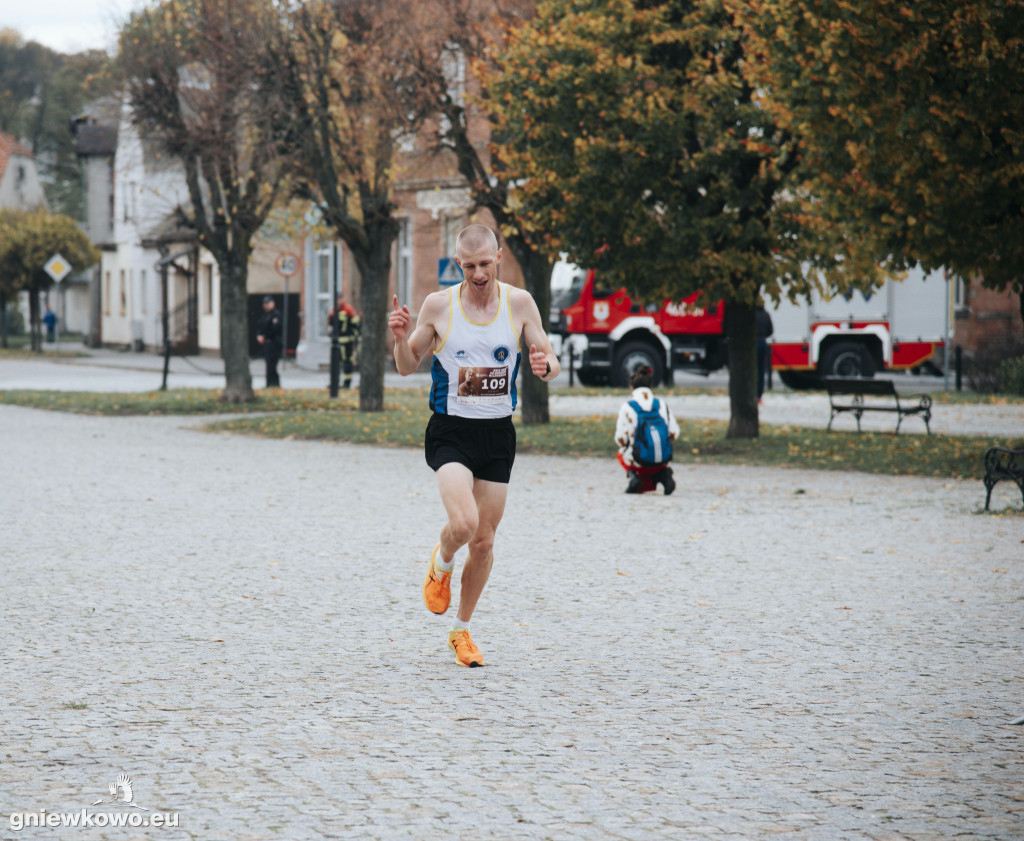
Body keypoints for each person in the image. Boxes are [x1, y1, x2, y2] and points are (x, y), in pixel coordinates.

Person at [387, 223, 560, 667]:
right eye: (469, 266)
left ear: (498, 257)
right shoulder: (438, 305)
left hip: (497, 433)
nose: (478, 274)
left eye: (485, 264)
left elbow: (550, 359)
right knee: (463, 524)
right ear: (457, 264)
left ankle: (461, 630)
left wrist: (544, 366)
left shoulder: (519, 303)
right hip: (451, 431)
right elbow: (407, 366)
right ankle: (442, 561)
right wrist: (400, 339)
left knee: (483, 542)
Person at [615, 365, 679, 495]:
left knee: (621, 454)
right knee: (654, 454)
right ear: (650, 386)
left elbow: (620, 439)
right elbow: (674, 433)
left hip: (639, 460)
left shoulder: (628, 406)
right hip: (663, 459)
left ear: (631, 387)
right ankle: (662, 475)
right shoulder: (661, 404)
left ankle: (634, 477)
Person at [327, 293, 361, 389]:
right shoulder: (333, 310)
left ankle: (347, 383)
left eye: (340, 299)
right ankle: (334, 383)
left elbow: (356, 324)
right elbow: (330, 324)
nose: (338, 301)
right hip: (336, 342)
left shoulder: (349, 309)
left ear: (343, 299)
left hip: (347, 342)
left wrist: (355, 337)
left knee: (347, 362)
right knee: (335, 363)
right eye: (337, 299)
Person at [255, 295, 282, 388]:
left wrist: (265, 336)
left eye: (268, 303)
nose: (266, 305)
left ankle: (274, 384)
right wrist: (259, 335)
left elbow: (275, 329)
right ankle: (269, 384)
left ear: (273, 304)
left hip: (274, 343)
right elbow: (260, 327)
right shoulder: (265, 316)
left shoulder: (276, 315)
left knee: (272, 365)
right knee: (268, 364)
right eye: (265, 304)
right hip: (267, 343)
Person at [756, 304, 774, 402]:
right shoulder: (766, 314)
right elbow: (770, 331)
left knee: (753, 369)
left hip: (753, 343)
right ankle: (759, 395)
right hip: (762, 342)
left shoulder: (751, 315)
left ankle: (752, 393)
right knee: (761, 370)